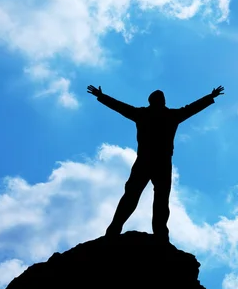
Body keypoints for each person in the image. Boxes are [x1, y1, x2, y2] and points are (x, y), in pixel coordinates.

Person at [87, 84, 225, 241]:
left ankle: (148, 232)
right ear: (155, 101)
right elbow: (120, 107)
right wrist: (210, 97)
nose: (161, 102)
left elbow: (121, 107)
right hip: (154, 161)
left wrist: (210, 97)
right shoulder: (162, 115)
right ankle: (132, 230)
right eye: (160, 99)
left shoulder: (150, 114)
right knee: (142, 197)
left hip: (154, 161)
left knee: (150, 198)